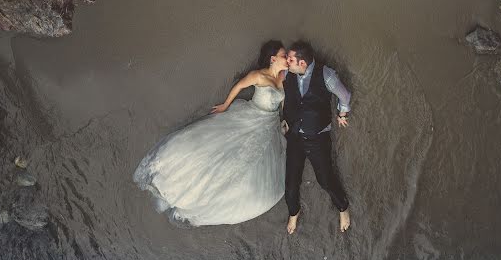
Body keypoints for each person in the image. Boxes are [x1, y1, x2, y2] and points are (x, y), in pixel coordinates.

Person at [133, 40, 287, 226]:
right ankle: (178, 189)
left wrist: (284, 118)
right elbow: (239, 86)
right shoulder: (259, 76)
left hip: (269, 123)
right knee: (221, 149)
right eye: (284, 55)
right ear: (273, 59)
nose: (286, 59)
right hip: (252, 115)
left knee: (250, 160)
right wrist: (225, 105)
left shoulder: (282, 77)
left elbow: (283, 102)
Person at [282, 40, 351, 234]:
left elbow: (344, 96)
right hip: (295, 136)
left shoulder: (326, 75)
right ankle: (294, 212)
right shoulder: (288, 73)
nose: (287, 62)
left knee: (325, 179)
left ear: (302, 63)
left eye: (290, 59)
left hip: (318, 138)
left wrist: (342, 114)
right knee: (291, 183)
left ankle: (343, 207)